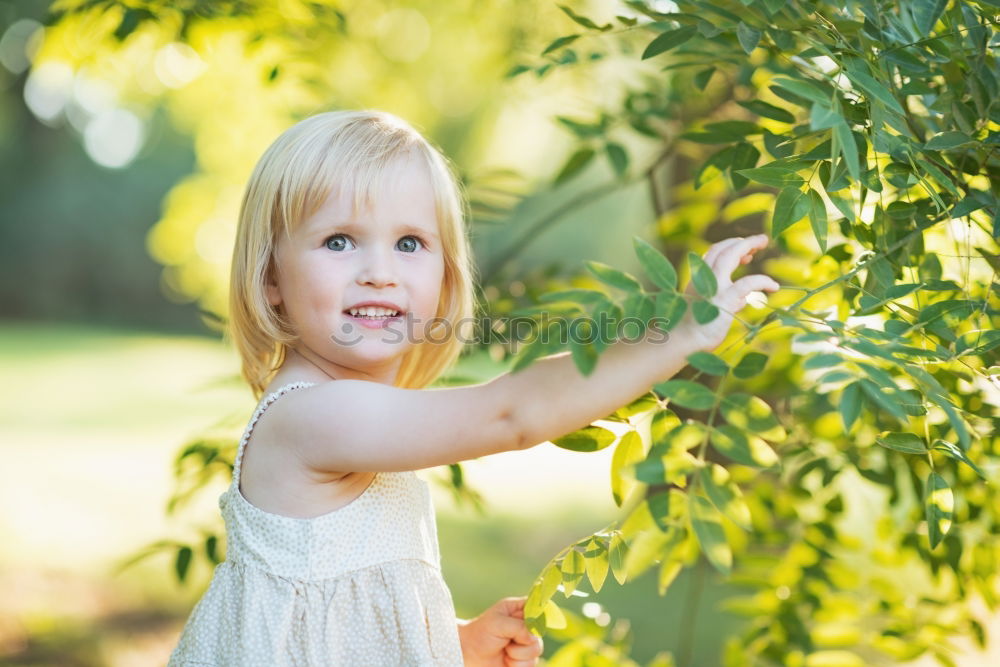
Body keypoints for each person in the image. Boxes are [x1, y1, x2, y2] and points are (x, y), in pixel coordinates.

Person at [166, 110, 779, 666]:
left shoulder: (352, 418)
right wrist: (675, 338)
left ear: (446, 272)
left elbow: (332, 619)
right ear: (270, 276)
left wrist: (449, 639)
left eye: (409, 243)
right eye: (339, 241)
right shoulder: (313, 417)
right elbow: (509, 413)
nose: (379, 272)